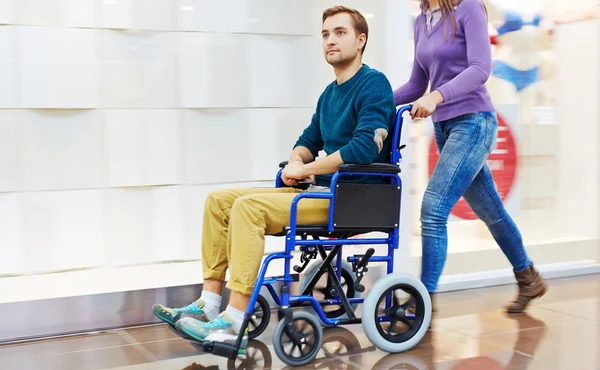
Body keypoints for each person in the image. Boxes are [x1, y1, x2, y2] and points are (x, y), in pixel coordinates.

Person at [152, 6, 396, 349]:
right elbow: (310, 139)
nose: (330, 40)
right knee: (219, 201)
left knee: (248, 208)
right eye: (325, 34)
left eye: (339, 33)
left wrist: (306, 170)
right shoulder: (329, 94)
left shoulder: (374, 85)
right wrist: (295, 161)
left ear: (361, 39)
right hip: (322, 193)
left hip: (350, 200)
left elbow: (363, 149)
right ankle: (209, 303)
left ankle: (233, 321)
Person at [394, 0, 547, 313]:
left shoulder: (469, 7)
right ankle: (529, 278)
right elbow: (416, 83)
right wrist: (374, 100)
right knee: (492, 211)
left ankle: (422, 304)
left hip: (474, 122)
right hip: (445, 128)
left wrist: (437, 96)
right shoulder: (421, 19)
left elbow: (480, 68)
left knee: (434, 209)